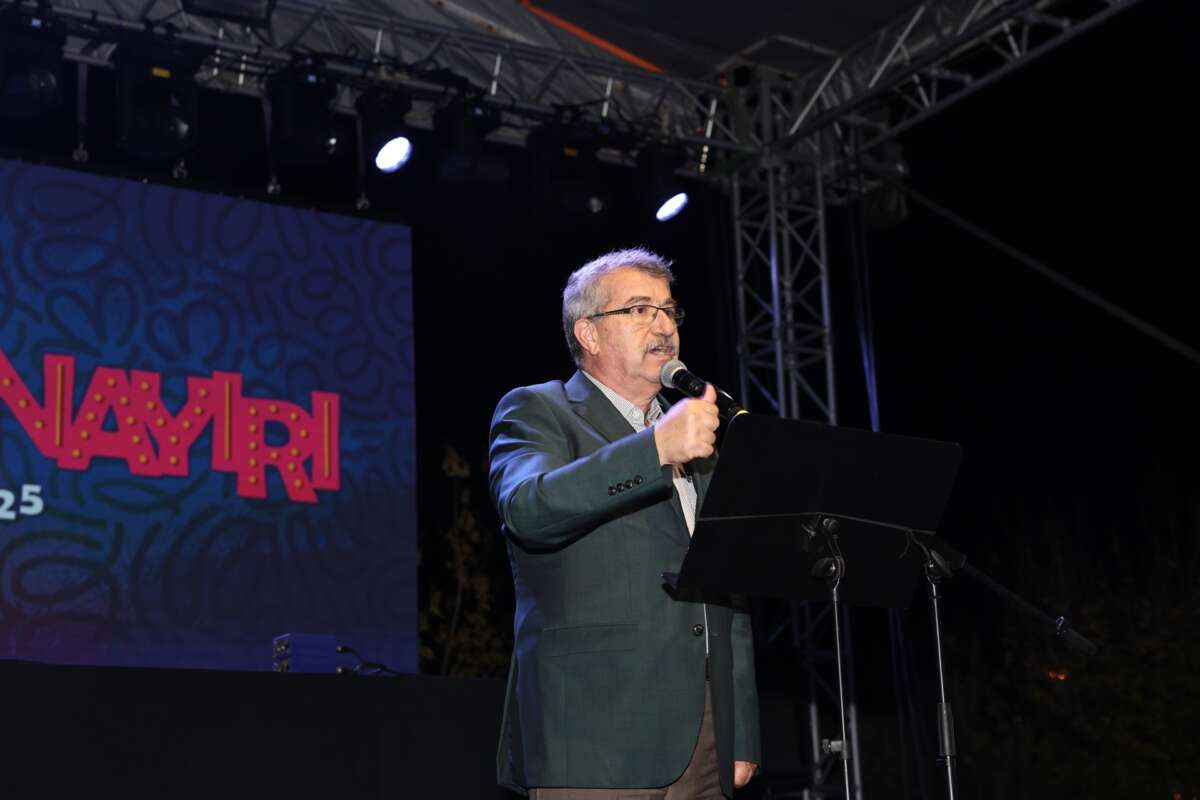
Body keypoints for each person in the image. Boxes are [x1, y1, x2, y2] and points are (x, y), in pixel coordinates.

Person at [488, 248, 761, 799]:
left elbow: (725, 582)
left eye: (669, 311)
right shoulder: (540, 410)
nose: (663, 325)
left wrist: (741, 729)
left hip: (705, 736)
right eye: (639, 310)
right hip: (592, 727)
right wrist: (654, 449)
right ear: (588, 333)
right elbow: (528, 510)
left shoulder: (695, 436)